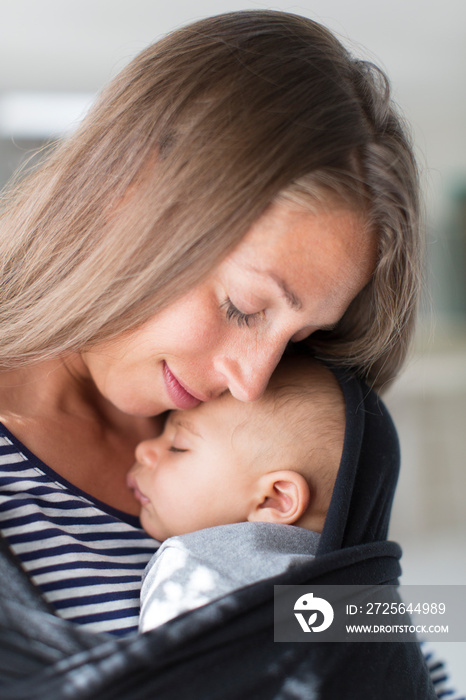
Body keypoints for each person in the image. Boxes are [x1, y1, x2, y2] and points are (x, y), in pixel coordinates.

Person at [0, 5, 420, 644]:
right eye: (243, 308)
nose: (253, 381)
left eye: (297, 340)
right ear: (127, 190)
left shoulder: (269, 445)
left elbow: (392, 641)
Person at [126, 356, 344, 630]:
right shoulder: (353, 594)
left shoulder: (200, 567)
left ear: (274, 499)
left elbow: (167, 669)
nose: (143, 449)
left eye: (178, 446)